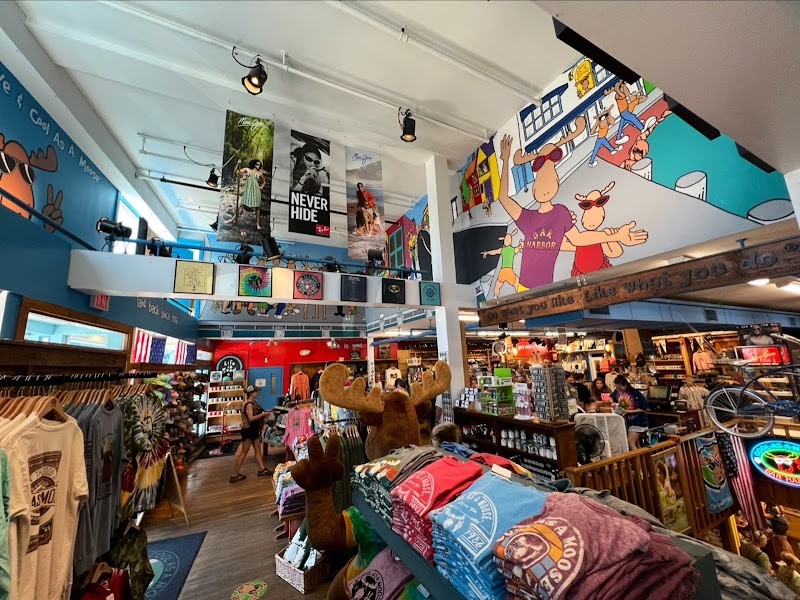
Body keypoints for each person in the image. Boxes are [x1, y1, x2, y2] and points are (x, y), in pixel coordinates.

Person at [230, 385, 273, 482]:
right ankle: (235, 474)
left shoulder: (253, 403)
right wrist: (263, 415)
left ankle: (262, 469)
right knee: (244, 452)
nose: (257, 393)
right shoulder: (249, 404)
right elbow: (251, 418)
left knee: (258, 448)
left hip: (253, 429)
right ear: (252, 393)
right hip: (248, 429)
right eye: (256, 391)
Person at [225, 159, 267, 228]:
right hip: (248, 191)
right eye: (257, 164)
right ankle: (232, 219)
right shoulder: (247, 170)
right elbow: (236, 172)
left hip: (256, 191)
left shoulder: (260, 173)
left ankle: (257, 224)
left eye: (259, 165)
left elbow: (264, 181)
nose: (258, 166)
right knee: (241, 205)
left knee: (257, 207)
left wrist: (261, 187)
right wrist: (238, 164)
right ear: (254, 164)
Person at [611, 375, 648, 449]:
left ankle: (637, 460)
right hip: (628, 421)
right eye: (617, 388)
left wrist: (628, 411)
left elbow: (644, 408)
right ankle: (640, 459)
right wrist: (614, 404)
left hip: (638, 421)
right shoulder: (619, 392)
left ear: (625, 385)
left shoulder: (635, 393)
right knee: (636, 444)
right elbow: (612, 397)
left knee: (630, 442)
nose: (618, 389)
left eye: (620, 387)